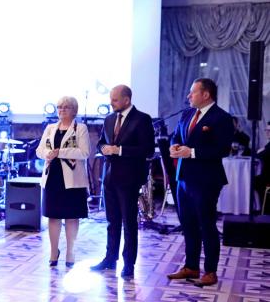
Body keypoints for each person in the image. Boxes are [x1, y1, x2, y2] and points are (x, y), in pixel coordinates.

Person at [167, 78, 234, 287]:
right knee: (188, 223)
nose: (189, 96)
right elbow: (175, 136)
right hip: (183, 178)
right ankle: (191, 266)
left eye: (193, 92)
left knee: (206, 225)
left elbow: (223, 149)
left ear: (206, 94)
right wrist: (174, 146)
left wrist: (193, 152)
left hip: (206, 180)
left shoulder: (221, 118)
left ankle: (211, 271)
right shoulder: (187, 114)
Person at [91, 85, 154, 280]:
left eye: (115, 99)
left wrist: (119, 150)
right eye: (111, 99)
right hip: (110, 177)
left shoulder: (142, 119)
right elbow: (101, 143)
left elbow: (147, 149)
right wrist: (103, 148)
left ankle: (129, 264)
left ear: (126, 100)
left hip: (129, 178)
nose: (111, 103)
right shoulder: (109, 119)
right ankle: (110, 259)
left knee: (129, 222)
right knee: (112, 221)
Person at [35, 96, 90, 268]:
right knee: (53, 216)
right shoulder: (50, 128)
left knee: (72, 216)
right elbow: (39, 150)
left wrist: (60, 152)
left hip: (73, 180)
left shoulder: (80, 128)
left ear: (74, 110)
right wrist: (48, 154)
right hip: (52, 177)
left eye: (66, 107)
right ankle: (53, 251)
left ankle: (70, 252)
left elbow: (84, 153)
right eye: (59, 107)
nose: (62, 110)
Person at [255, 121, 270, 205]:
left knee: (251, 182)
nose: (267, 132)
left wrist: (259, 152)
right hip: (266, 175)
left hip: (267, 178)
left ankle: (260, 207)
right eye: (266, 130)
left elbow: (261, 155)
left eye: (269, 130)